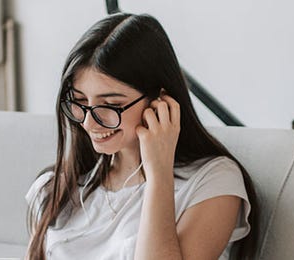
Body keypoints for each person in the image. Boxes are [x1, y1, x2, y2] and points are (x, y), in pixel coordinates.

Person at [25, 13, 258, 260]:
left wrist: (158, 174)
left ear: (161, 101)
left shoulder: (212, 182)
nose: (88, 121)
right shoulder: (54, 189)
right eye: (80, 102)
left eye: (111, 104)